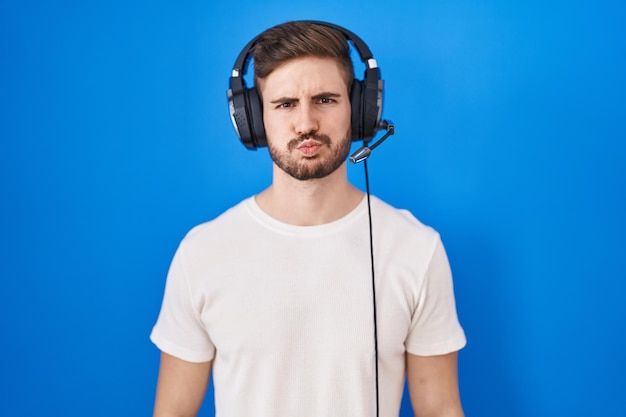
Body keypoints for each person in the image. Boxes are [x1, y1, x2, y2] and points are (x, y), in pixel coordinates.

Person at [150, 20, 466, 417]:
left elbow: (439, 409)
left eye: (326, 100)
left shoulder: (416, 249)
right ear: (252, 118)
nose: (306, 124)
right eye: (285, 104)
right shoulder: (202, 253)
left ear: (362, 109)